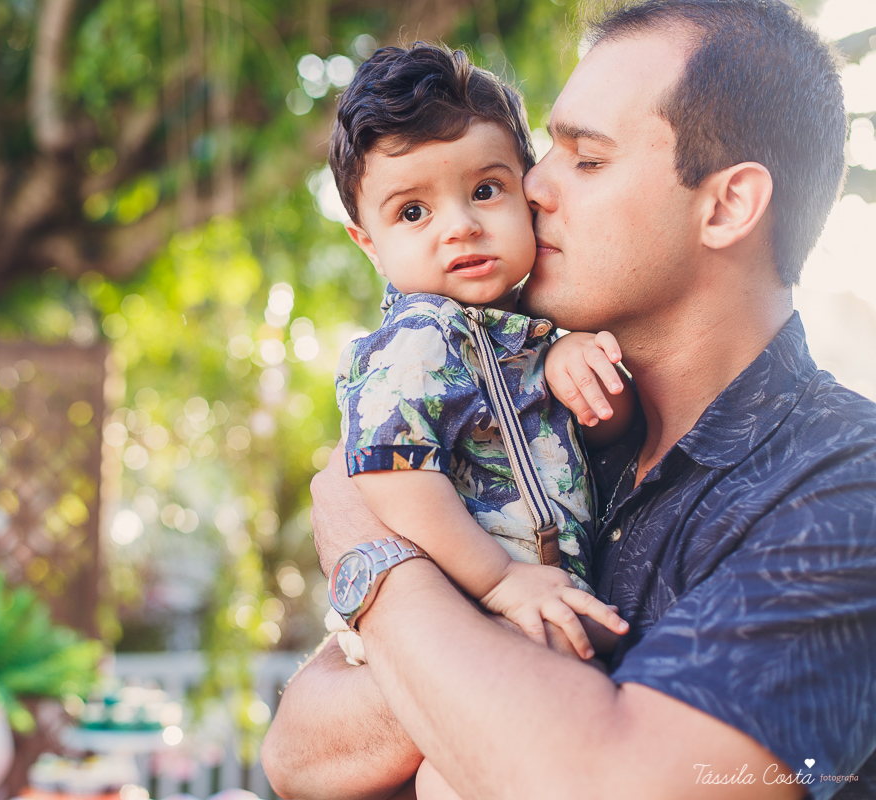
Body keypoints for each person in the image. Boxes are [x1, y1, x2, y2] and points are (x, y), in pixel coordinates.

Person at [262, 1, 876, 799]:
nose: (533, 186)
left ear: (726, 206)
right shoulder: (522, 411)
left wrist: (370, 555)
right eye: (545, 149)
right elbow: (301, 751)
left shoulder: (843, 489)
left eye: (585, 160)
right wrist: (511, 674)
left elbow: (618, 784)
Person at [326, 43, 631, 674]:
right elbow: (391, 471)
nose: (460, 225)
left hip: (530, 596)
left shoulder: (534, 332)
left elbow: (612, 436)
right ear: (369, 244)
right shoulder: (415, 344)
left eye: (486, 189)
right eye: (413, 212)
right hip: (456, 600)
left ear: (529, 191)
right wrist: (497, 581)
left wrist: (572, 366)